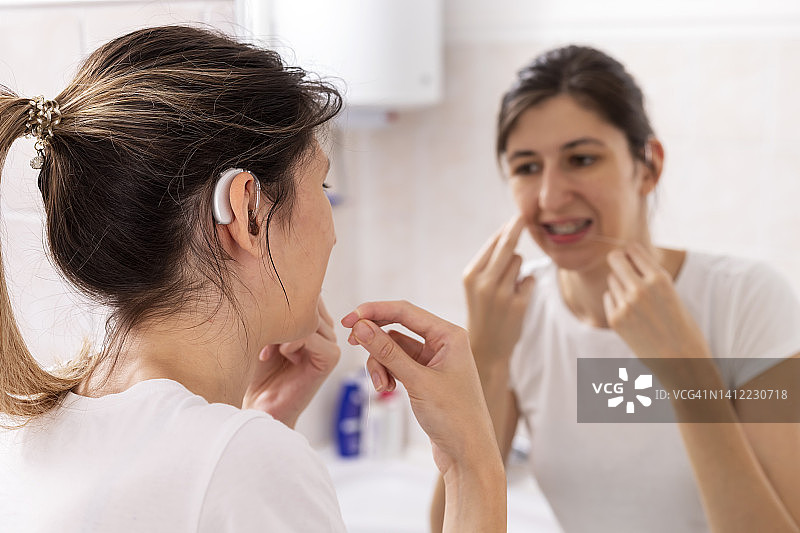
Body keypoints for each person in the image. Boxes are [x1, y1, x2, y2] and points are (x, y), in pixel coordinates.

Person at [0, 26, 505, 532]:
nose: (332, 234)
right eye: (322, 185)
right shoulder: (243, 464)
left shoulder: (30, 431)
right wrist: (472, 463)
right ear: (247, 213)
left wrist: (260, 418)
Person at [431, 45, 800, 533]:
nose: (550, 197)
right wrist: (485, 357)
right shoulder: (517, 313)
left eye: (581, 159)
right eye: (526, 167)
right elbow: (448, 526)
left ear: (648, 167)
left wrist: (684, 366)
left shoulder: (750, 301)